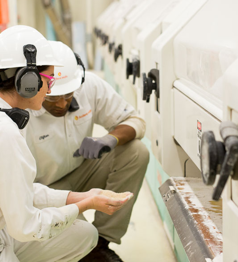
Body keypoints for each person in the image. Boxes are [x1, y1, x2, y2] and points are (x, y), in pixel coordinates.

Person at [0, 25, 132, 262]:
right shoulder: (3, 132)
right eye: (49, 79)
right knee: (56, 230)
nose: (51, 88)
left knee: (83, 234)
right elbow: (28, 227)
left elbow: (20, 189)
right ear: (28, 81)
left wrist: (79, 197)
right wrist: (86, 206)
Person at [25, 41, 149, 262]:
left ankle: (102, 242)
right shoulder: (20, 111)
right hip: (40, 190)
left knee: (136, 152)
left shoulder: (88, 85)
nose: (62, 104)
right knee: (79, 238)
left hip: (81, 170)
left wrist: (111, 139)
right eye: (53, 98)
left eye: (68, 96)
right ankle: (88, 245)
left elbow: (136, 121)